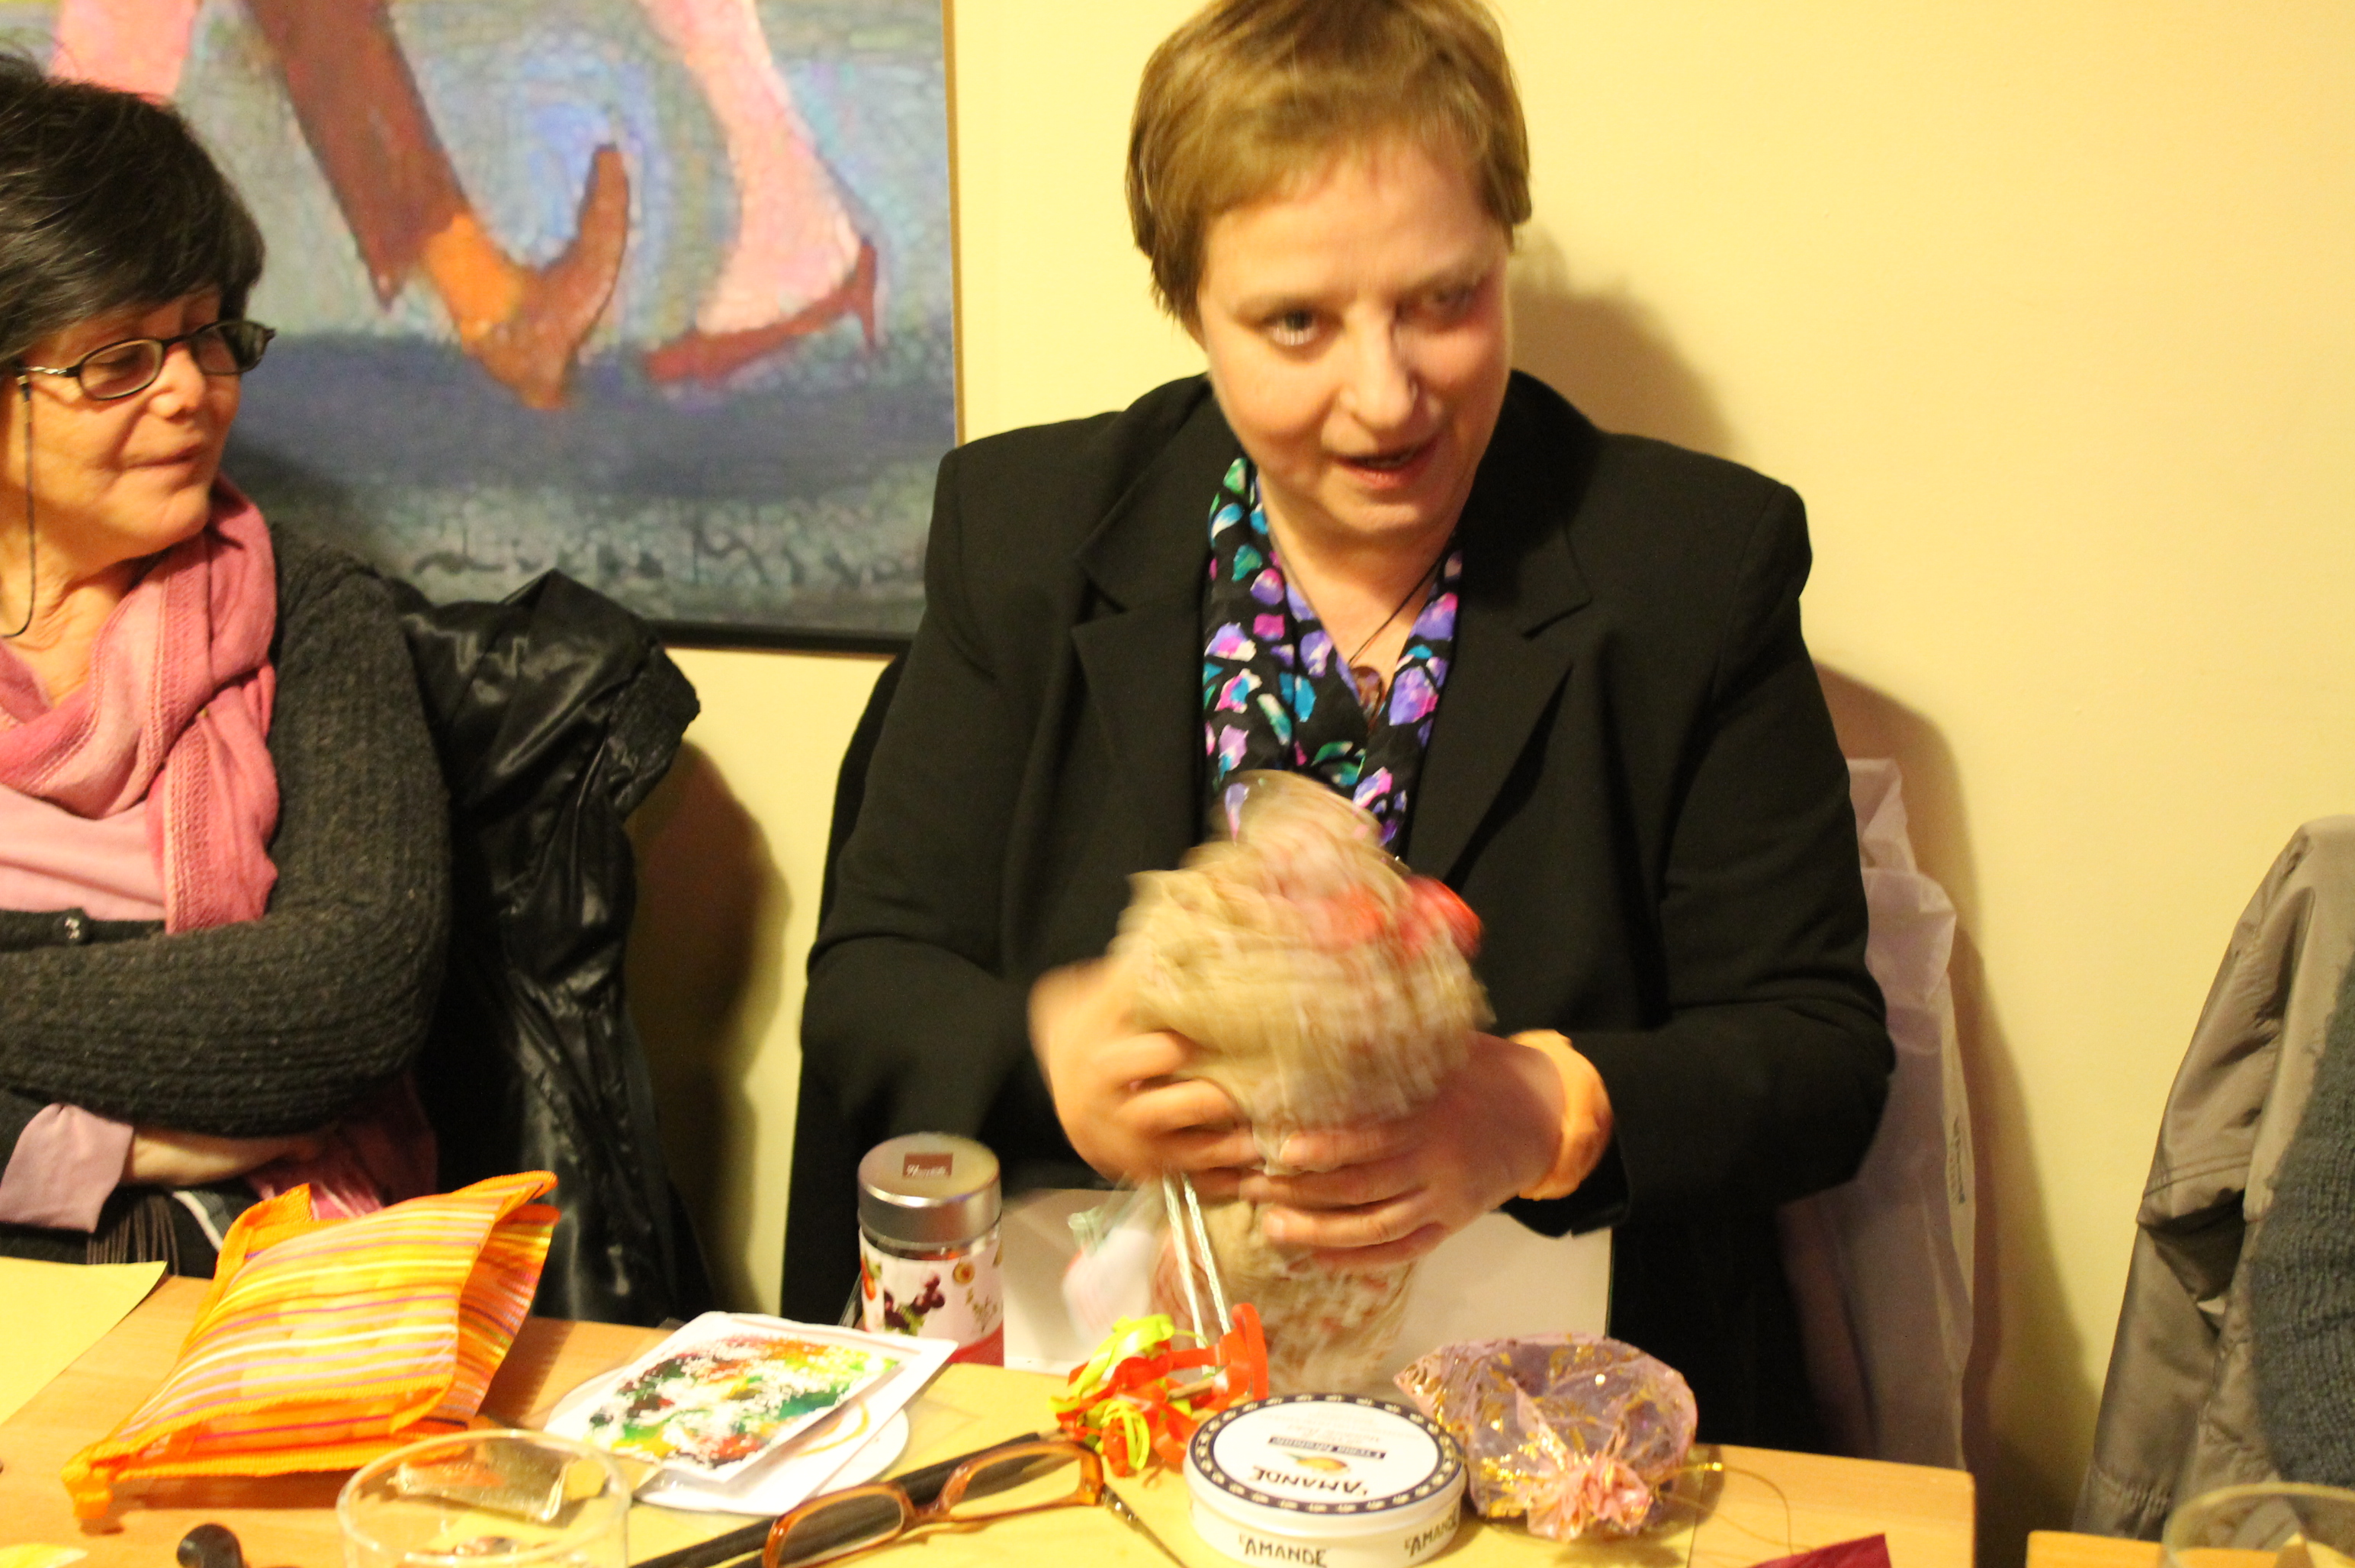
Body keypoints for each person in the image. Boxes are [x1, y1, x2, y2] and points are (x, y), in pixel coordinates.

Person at [800, 0, 1891, 1446]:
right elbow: (868, 986)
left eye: (1445, 300)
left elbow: (1820, 1056)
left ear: (1502, 250)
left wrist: (1546, 1108)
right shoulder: (1026, 537)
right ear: (1190, 306)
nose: (1387, 399)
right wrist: (1052, 1056)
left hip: (1537, 1438)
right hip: (1117, 1414)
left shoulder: (1693, 569)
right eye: (1297, 323)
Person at [0, 58, 450, 1271]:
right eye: (119, 360)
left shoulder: (312, 614)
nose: (192, 393)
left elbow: (349, 1001)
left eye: (208, 337)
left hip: (220, 1249)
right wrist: (111, 1141)